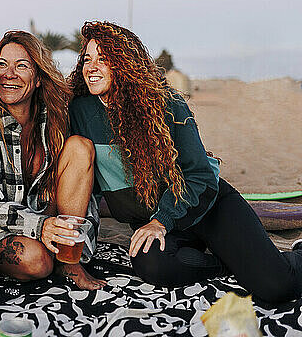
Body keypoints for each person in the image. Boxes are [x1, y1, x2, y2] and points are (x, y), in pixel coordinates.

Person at [68, 20, 302, 302]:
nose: (91, 67)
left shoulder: (166, 106)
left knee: (277, 287)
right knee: (152, 264)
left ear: (126, 64)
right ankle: (228, 264)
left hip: (205, 205)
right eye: (87, 59)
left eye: (103, 60)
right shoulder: (79, 111)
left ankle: (293, 256)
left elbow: (200, 177)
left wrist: (161, 221)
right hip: (154, 219)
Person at [0, 30, 104, 290]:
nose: (9, 74)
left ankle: (69, 263)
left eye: (21, 65)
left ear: (36, 79)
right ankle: (52, 257)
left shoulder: (54, 118)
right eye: (2, 64)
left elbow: (81, 194)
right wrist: (40, 225)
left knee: (80, 146)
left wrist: (77, 240)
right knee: (38, 262)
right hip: (2, 227)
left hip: (49, 219)